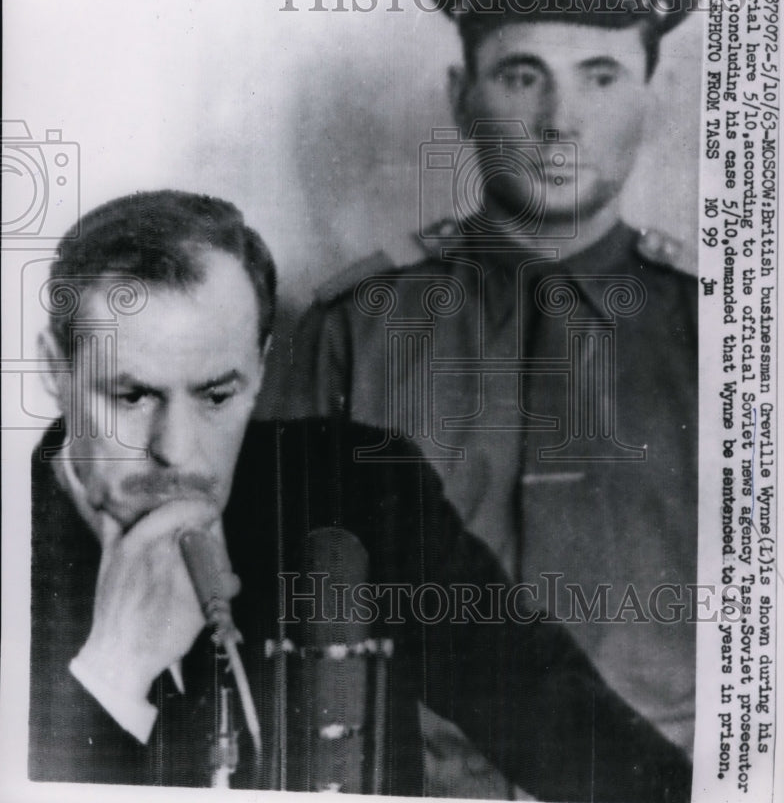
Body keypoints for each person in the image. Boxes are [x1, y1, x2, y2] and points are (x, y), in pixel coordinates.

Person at [29, 189, 691, 801]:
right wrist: (110, 676)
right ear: (55, 372)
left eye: (215, 396)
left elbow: (566, 724)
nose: (176, 450)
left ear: (259, 369)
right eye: (132, 395)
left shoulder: (360, 488)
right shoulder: (18, 545)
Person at [287, 0, 701, 794]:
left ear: (653, 100)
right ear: (459, 96)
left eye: (599, 75)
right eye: (522, 75)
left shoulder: (729, 340)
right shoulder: (355, 327)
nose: (561, 122)